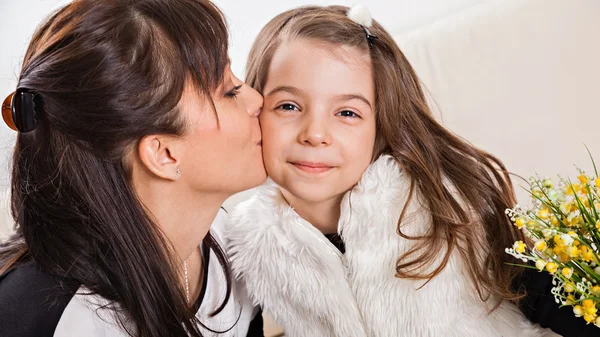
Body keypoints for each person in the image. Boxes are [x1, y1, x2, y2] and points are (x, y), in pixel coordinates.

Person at [226, 4, 597, 336]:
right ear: (255, 107)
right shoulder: (246, 248)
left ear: (381, 126)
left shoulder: (445, 201)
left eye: (347, 113)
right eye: (289, 106)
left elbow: (549, 297)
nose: (315, 134)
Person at [0, 1, 265, 336]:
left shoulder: (234, 248)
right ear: (164, 154)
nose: (256, 100)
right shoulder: (52, 318)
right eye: (230, 92)